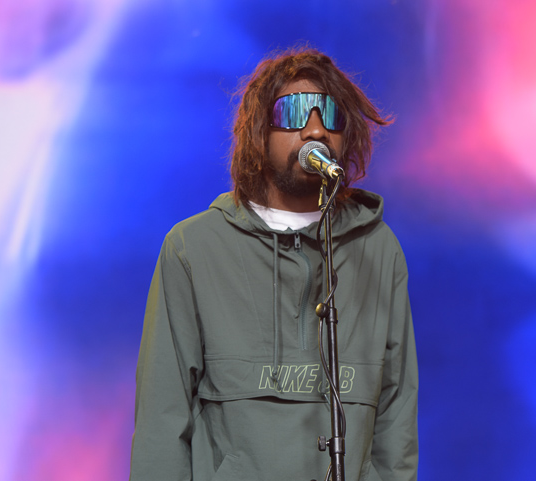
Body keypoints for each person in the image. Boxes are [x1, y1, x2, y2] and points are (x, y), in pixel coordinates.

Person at [130, 46, 418, 481]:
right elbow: (161, 422)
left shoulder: (378, 249)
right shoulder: (193, 248)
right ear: (258, 133)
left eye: (331, 115)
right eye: (295, 112)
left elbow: (397, 419)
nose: (315, 130)